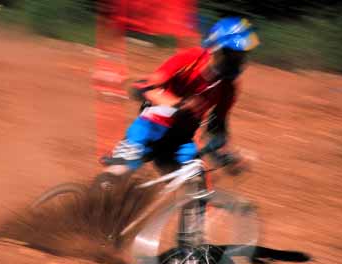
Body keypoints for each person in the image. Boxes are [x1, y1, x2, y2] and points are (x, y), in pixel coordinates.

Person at [99, 17, 260, 247]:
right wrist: (178, 104)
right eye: (235, 54)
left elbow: (216, 130)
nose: (239, 61)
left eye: (243, 56)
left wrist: (229, 157)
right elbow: (144, 87)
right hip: (149, 129)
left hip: (179, 142)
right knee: (115, 176)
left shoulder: (228, 88)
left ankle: (189, 249)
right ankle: (83, 218)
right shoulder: (190, 59)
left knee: (197, 184)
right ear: (218, 49)